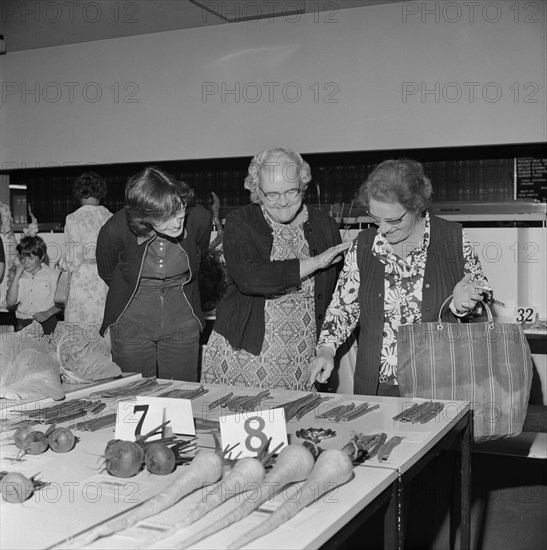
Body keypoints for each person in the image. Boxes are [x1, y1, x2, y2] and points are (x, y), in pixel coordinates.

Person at [310, 158, 492, 396]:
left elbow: (482, 302)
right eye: (375, 219)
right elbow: (343, 308)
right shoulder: (364, 246)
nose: (383, 229)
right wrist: (326, 349)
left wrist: (463, 305)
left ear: (416, 207)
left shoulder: (453, 239)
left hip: (443, 382)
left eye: (394, 220)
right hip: (379, 384)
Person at [200, 148, 351, 391]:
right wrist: (316, 262)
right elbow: (251, 279)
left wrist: (326, 347)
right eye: (271, 195)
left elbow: (338, 295)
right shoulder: (242, 221)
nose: (282, 202)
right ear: (257, 191)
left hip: (303, 356)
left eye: (291, 191)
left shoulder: (325, 224)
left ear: (302, 185)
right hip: (245, 355)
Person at [97, 167, 212, 381]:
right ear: (144, 217)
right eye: (165, 219)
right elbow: (108, 272)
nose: (177, 223)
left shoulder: (199, 218)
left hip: (182, 312)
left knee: (181, 392)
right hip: (132, 315)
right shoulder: (115, 228)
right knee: (134, 393)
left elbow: (199, 255)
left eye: (180, 212)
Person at [60, 172, 112, 335]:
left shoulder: (74, 218)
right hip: (107, 281)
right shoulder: (110, 216)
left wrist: (61, 264)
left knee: (80, 332)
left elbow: (72, 258)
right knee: (103, 328)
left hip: (84, 280)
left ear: (78, 193)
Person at [6, 235, 61, 335]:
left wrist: (48, 313)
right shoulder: (19, 276)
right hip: (24, 323)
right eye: (23, 258)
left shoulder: (53, 275)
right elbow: (10, 302)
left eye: (31, 258)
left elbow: (64, 303)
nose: (26, 262)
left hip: (47, 323)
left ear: (42, 257)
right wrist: (16, 276)